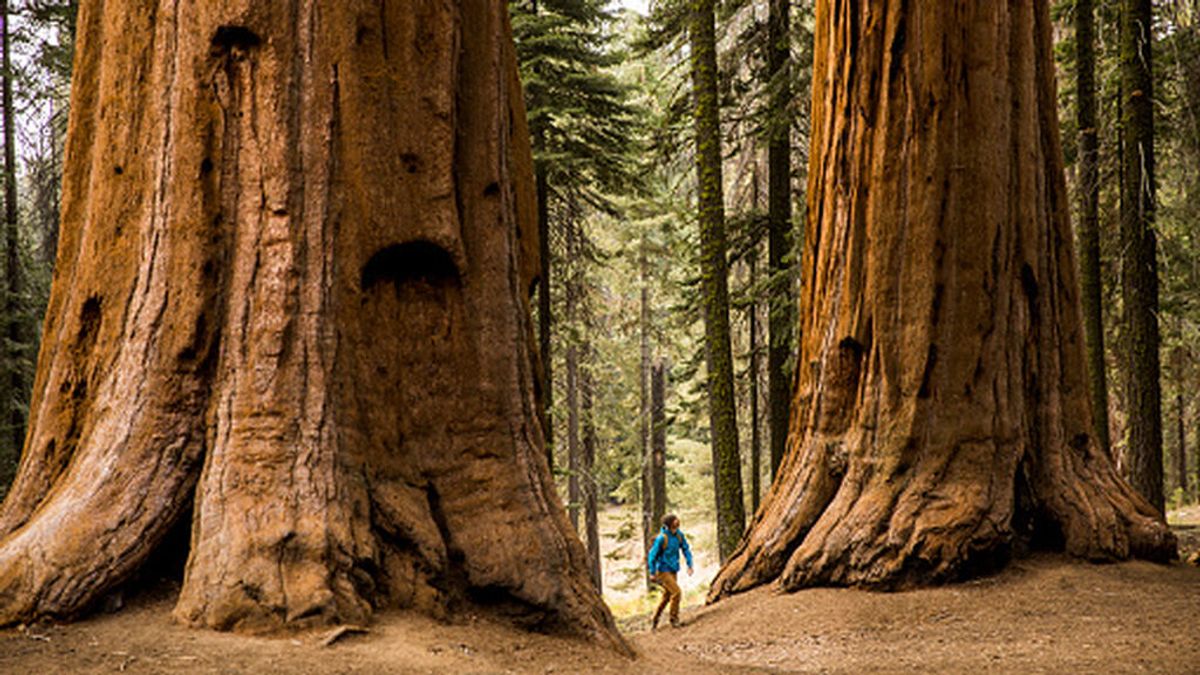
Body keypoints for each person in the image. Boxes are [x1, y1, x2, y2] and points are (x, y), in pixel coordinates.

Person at [647, 513, 693, 629]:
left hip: (673, 570)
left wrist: (689, 564)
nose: (678, 521)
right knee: (677, 593)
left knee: (667, 596)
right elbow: (652, 556)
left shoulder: (679, 535)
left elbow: (685, 548)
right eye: (675, 520)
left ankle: (655, 618)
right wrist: (652, 572)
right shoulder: (662, 538)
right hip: (662, 570)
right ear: (670, 523)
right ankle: (674, 619)